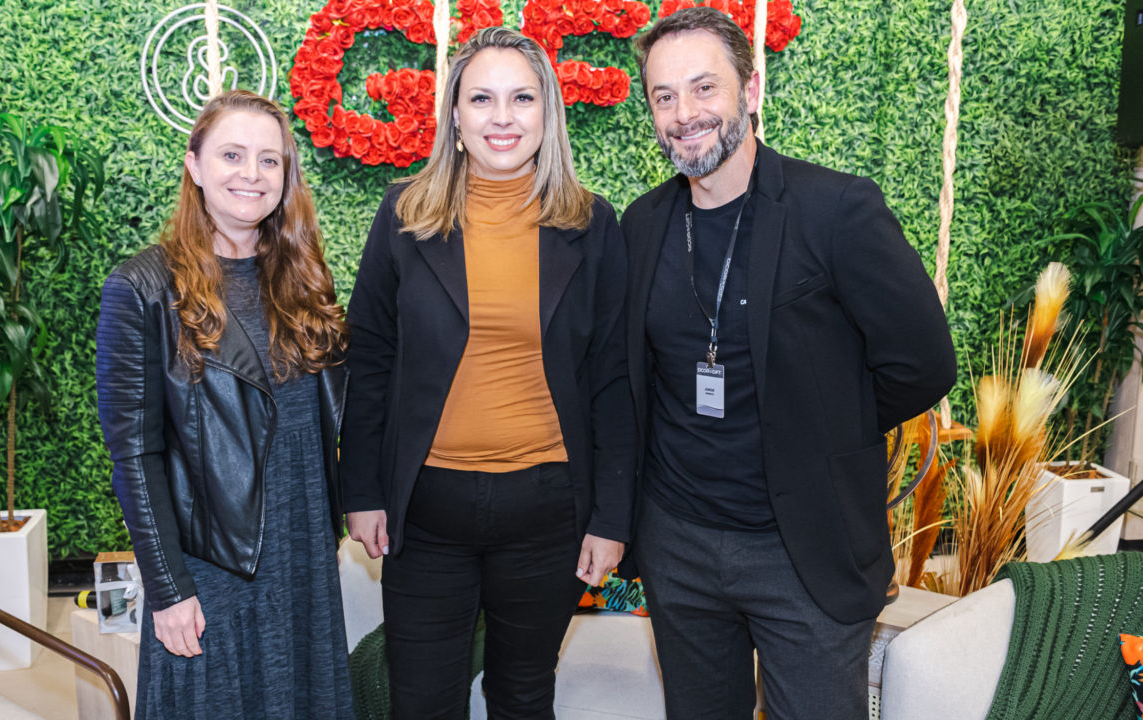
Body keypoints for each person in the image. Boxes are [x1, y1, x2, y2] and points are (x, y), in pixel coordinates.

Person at [620, 8, 956, 719]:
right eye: (664, 96)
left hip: (803, 552)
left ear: (750, 89)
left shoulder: (836, 208)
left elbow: (923, 363)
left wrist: (823, 431)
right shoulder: (643, 224)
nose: (685, 114)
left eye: (704, 88)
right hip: (677, 544)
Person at [340, 26, 635, 720]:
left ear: (548, 113)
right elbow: (371, 358)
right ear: (455, 115)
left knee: (523, 695)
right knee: (421, 702)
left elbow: (613, 380)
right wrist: (362, 490)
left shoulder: (593, 225)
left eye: (521, 98)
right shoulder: (404, 214)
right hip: (427, 511)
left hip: (549, 510)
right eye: (482, 98)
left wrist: (610, 518)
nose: (502, 117)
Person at [95, 90, 353, 719]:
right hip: (212, 558)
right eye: (232, 155)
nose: (252, 174)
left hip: (303, 543)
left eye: (270, 161)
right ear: (194, 165)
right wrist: (168, 588)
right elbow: (134, 454)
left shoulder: (304, 278)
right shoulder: (142, 288)